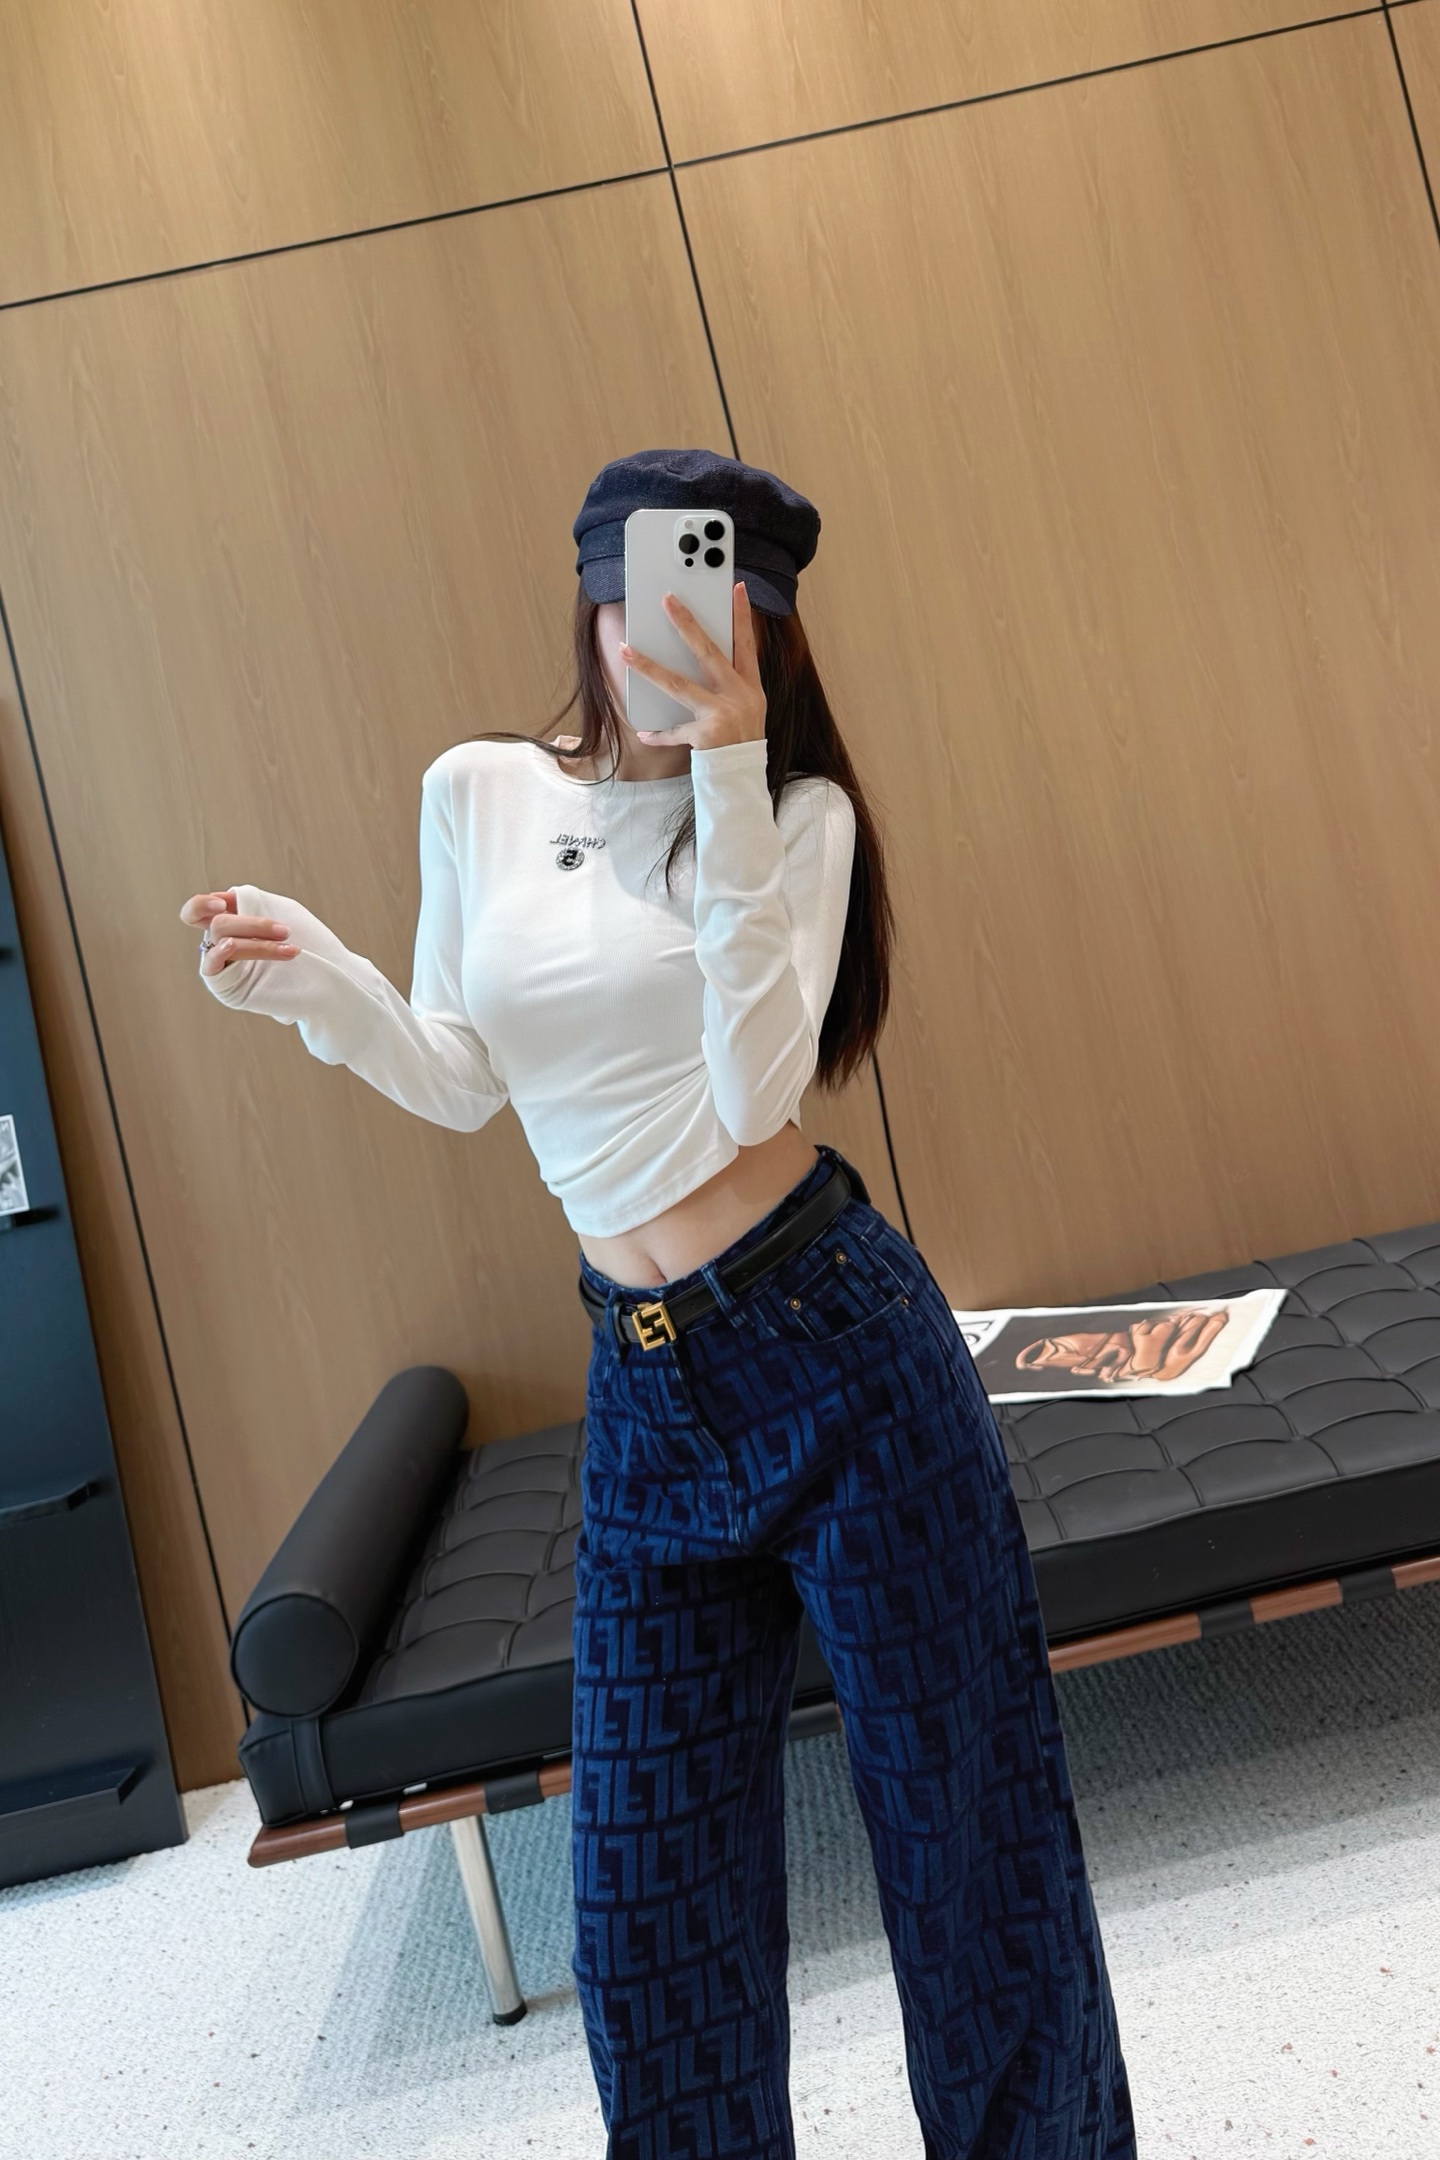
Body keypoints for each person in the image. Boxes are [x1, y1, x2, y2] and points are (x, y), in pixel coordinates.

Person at [179, 448, 1136, 2159]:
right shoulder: (475, 791)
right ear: (589, 597)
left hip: (839, 1348)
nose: (664, 641)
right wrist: (323, 985)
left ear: (768, 637)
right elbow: (464, 1075)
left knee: (971, 1859)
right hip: (644, 1390)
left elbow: (758, 1086)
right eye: (635, 603)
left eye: (716, 615)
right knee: (643, 1928)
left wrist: (735, 773)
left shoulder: (802, 819)